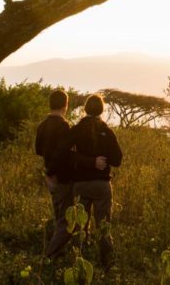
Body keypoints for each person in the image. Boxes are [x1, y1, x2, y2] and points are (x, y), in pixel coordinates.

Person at [33, 89, 105, 258]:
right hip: (63, 178)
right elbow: (65, 153)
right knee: (65, 222)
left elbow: (38, 150)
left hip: (50, 177)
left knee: (59, 215)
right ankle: (49, 256)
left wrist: (48, 172)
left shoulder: (42, 125)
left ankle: (58, 254)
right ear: (65, 105)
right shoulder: (64, 125)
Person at [60, 93, 123, 268]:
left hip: (80, 185)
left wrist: (86, 161)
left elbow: (64, 152)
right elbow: (117, 160)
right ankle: (108, 265)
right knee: (103, 226)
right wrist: (99, 161)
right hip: (102, 186)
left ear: (85, 109)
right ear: (101, 110)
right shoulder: (107, 131)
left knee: (80, 226)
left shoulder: (77, 129)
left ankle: (78, 262)